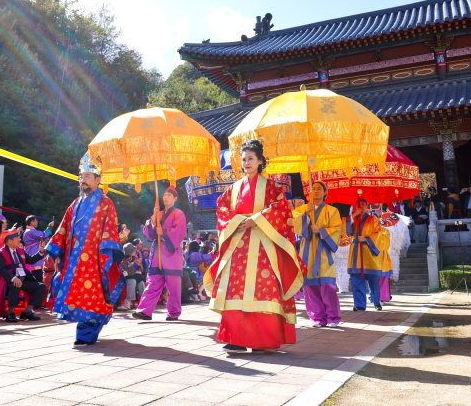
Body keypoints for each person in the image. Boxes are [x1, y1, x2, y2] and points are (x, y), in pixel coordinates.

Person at [203, 139, 302, 353]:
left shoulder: (272, 187)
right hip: (239, 246)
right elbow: (221, 209)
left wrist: (256, 218)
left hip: (263, 245)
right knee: (235, 290)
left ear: (260, 161)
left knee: (263, 290)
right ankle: (236, 339)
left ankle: (262, 340)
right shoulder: (233, 189)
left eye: (251, 158)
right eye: (244, 159)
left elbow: (281, 208)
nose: (246, 162)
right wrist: (240, 221)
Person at [45, 154, 124, 345]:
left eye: (88, 176)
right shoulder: (75, 203)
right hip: (74, 259)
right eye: (81, 176)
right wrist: (57, 252)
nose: (83, 180)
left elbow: (111, 230)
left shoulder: (106, 203)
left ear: (98, 180)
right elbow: (63, 228)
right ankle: (85, 331)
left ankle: (86, 333)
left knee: (93, 295)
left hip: (95, 259)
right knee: (77, 294)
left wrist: (107, 255)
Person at [292, 180, 343, 328]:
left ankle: (333, 317)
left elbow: (337, 229)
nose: (315, 191)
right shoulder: (304, 208)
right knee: (310, 286)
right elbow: (293, 219)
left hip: (324, 251)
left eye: (319, 188)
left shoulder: (332, 211)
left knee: (327, 285)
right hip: (307, 250)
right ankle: (317, 317)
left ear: (325, 192)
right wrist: (304, 215)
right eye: (313, 188)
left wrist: (320, 231)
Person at [132, 187, 187, 321]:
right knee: (153, 282)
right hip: (157, 254)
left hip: (171, 254)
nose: (166, 197)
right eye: (165, 195)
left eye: (169, 195)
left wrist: (163, 232)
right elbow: (150, 236)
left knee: (173, 286)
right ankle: (145, 311)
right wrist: (152, 219)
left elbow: (179, 231)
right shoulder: (158, 213)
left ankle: (173, 312)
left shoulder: (178, 213)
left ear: (175, 199)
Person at [0, 232, 46, 322]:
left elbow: (31, 260)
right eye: (17, 238)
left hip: (22, 278)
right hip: (7, 280)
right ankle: (10, 313)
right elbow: (1, 269)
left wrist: (41, 251)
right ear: (9, 241)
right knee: (16, 284)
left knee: (41, 286)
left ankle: (27, 311)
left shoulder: (20, 251)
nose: (20, 240)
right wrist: (13, 278)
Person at [347, 198, 386, 311]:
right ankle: (359, 305)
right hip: (356, 254)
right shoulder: (353, 219)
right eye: (359, 204)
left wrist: (366, 238)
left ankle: (376, 301)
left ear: (368, 205)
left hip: (370, 254)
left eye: (364, 204)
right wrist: (353, 216)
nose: (361, 206)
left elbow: (379, 234)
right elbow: (345, 231)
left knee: (373, 280)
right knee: (356, 280)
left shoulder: (373, 219)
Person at [22, 215, 55, 283]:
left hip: (34, 251)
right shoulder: (30, 231)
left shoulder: (30, 230)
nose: (36, 222)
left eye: (36, 220)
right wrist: (50, 227)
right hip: (33, 252)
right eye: (34, 221)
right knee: (36, 275)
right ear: (30, 222)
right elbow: (43, 235)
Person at [119, 242, 145, 309]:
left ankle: (145, 302)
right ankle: (127, 302)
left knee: (141, 283)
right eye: (133, 250)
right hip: (126, 279)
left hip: (136, 277)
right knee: (132, 281)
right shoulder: (123, 261)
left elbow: (141, 270)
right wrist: (136, 265)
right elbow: (128, 273)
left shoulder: (134, 258)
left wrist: (139, 266)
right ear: (129, 251)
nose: (135, 251)